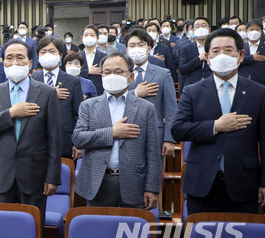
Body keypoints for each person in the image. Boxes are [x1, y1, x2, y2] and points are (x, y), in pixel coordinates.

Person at [172, 28, 265, 215]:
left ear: (240, 55)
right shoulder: (193, 91)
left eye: (228, 50)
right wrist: (215, 126)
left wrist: (264, 183)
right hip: (201, 183)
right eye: (216, 51)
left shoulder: (259, 92)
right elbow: (178, 129)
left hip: (244, 184)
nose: (222, 55)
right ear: (207, 57)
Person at [0, 39, 60, 224]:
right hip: (1, 176)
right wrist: (11, 113)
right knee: (1, 228)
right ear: (3, 62)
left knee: (33, 230)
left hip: (34, 176)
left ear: (30, 63)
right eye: (9, 58)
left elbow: (54, 137)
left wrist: (52, 177)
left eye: (20, 58)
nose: (14, 63)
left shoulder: (47, 93)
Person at [72, 52, 160, 209]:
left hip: (133, 182)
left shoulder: (146, 108)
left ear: (131, 77)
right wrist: (112, 133)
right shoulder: (89, 106)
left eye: (118, 72)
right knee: (99, 232)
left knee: (129, 231)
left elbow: (152, 151)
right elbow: (78, 138)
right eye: (107, 72)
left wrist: (152, 188)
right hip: (98, 182)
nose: (112, 76)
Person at [124, 28, 178, 158]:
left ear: (149, 48)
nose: (136, 48)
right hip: (126, 132)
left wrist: (169, 139)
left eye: (141, 45)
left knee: (154, 174)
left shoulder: (163, 73)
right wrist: (135, 93)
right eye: (132, 45)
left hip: (155, 132)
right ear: (126, 50)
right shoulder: (120, 73)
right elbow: (112, 99)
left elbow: (171, 109)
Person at [32, 36, 84, 160]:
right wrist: (49, 94)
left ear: (60, 55)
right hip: (36, 143)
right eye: (43, 52)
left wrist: (78, 143)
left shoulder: (73, 82)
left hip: (65, 142)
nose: (47, 55)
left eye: (52, 51)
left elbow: (79, 115)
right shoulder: (31, 81)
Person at [180, 17, 214, 88]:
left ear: (209, 29)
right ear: (193, 30)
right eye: (197, 26)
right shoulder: (186, 48)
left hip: (212, 85)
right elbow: (182, 69)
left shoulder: (216, 47)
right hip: (193, 86)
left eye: (204, 25)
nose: (200, 28)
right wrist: (199, 59)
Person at [80, 25, 108, 95]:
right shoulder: (77, 56)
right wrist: (88, 71)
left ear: (97, 38)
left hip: (99, 93)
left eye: (91, 35)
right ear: (82, 38)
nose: (88, 37)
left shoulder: (104, 57)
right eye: (86, 35)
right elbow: (71, 75)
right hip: (81, 93)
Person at [239, 20, 265, 85]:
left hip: (261, 83)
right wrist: (252, 58)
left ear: (261, 32)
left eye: (257, 29)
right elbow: (235, 60)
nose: (254, 32)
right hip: (243, 81)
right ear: (247, 31)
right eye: (251, 29)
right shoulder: (240, 47)